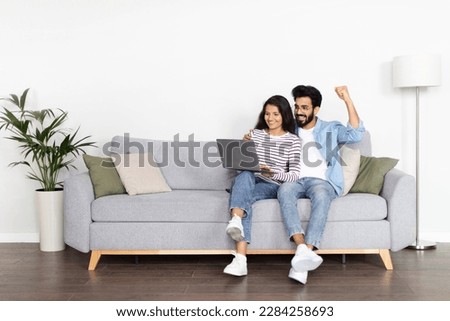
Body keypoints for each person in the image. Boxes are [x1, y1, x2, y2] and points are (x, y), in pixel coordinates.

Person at [278, 85, 365, 284]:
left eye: (305, 108)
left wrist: (347, 100)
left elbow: (356, 134)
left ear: (316, 109)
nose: (299, 112)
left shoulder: (330, 128)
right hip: (294, 180)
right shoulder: (288, 129)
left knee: (322, 196)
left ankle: (304, 255)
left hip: (321, 181)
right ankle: (302, 249)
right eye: (297, 107)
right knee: (284, 191)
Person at [224, 95, 302, 276]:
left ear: (284, 115)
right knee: (245, 174)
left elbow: (294, 175)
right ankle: (236, 223)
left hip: (272, 183)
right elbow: (240, 166)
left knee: (244, 197)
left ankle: (240, 258)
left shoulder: (293, 141)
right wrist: (243, 148)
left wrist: (272, 173)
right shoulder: (255, 134)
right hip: (248, 178)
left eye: (275, 114)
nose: (270, 118)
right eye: (267, 114)